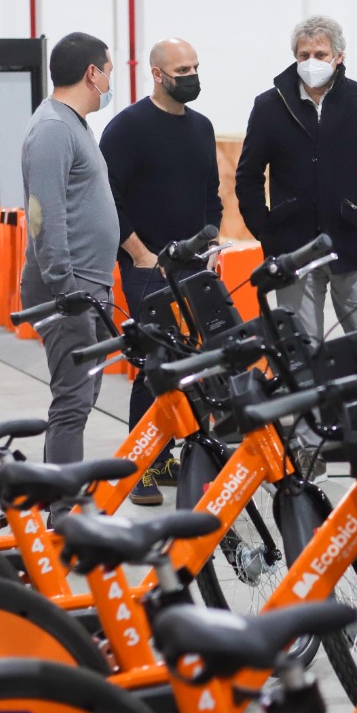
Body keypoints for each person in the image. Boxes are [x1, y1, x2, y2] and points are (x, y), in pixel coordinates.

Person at [236, 15, 357, 477]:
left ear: (339, 57)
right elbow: (248, 177)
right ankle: (308, 448)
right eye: (304, 55)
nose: (311, 62)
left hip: (356, 249)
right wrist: (267, 233)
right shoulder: (269, 106)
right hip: (293, 253)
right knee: (300, 353)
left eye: (320, 54)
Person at [99, 38, 222, 506]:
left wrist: (211, 243)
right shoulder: (127, 128)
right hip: (147, 266)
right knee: (154, 366)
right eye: (181, 70)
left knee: (195, 364)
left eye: (195, 67)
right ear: (157, 74)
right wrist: (138, 252)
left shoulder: (202, 127)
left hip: (195, 264)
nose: (191, 76)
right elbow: (109, 199)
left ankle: (171, 454)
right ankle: (139, 463)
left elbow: (210, 194)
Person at [18, 32, 119, 521]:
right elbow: (44, 215)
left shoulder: (74, 125)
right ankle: (62, 514)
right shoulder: (53, 129)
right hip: (68, 290)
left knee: (83, 394)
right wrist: (66, 287)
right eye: (109, 71)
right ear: (91, 73)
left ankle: (59, 496)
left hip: (89, 285)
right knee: (73, 399)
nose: (110, 81)